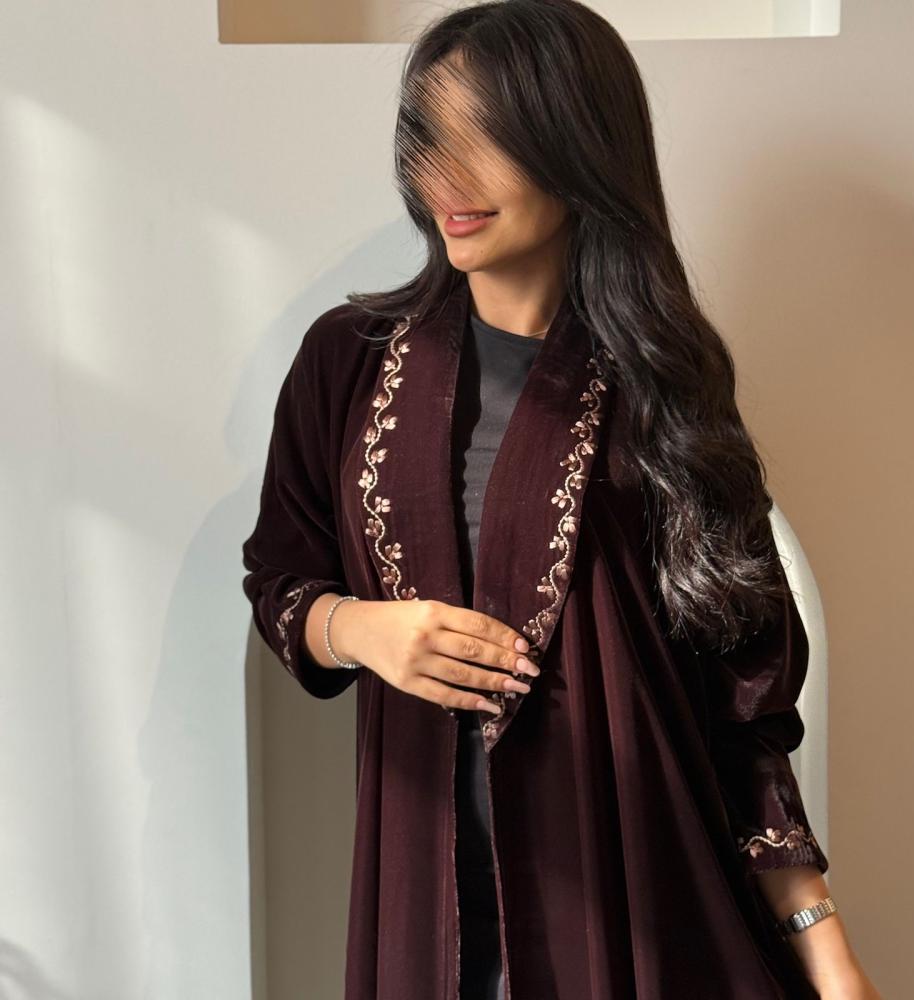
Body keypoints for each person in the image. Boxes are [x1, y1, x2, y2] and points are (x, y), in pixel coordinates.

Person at [241, 2, 881, 997]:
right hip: (428, 903)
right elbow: (280, 576)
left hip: (639, 904)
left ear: (575, 142)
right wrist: (358, 629)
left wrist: (824, 948)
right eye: (429, 137)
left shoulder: (662, 382)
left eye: (485, 137)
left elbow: (744, 695)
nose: (447, 177)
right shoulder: (349, 363)